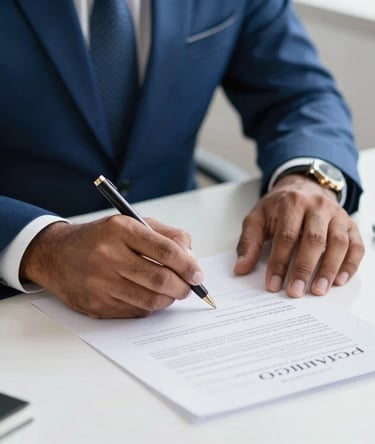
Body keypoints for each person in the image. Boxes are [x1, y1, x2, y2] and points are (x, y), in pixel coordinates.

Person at [0, 0, 364, 318]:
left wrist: (307, 175)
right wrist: (41, 248)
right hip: (17, 298)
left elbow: (301, 95)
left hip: (185, 262)